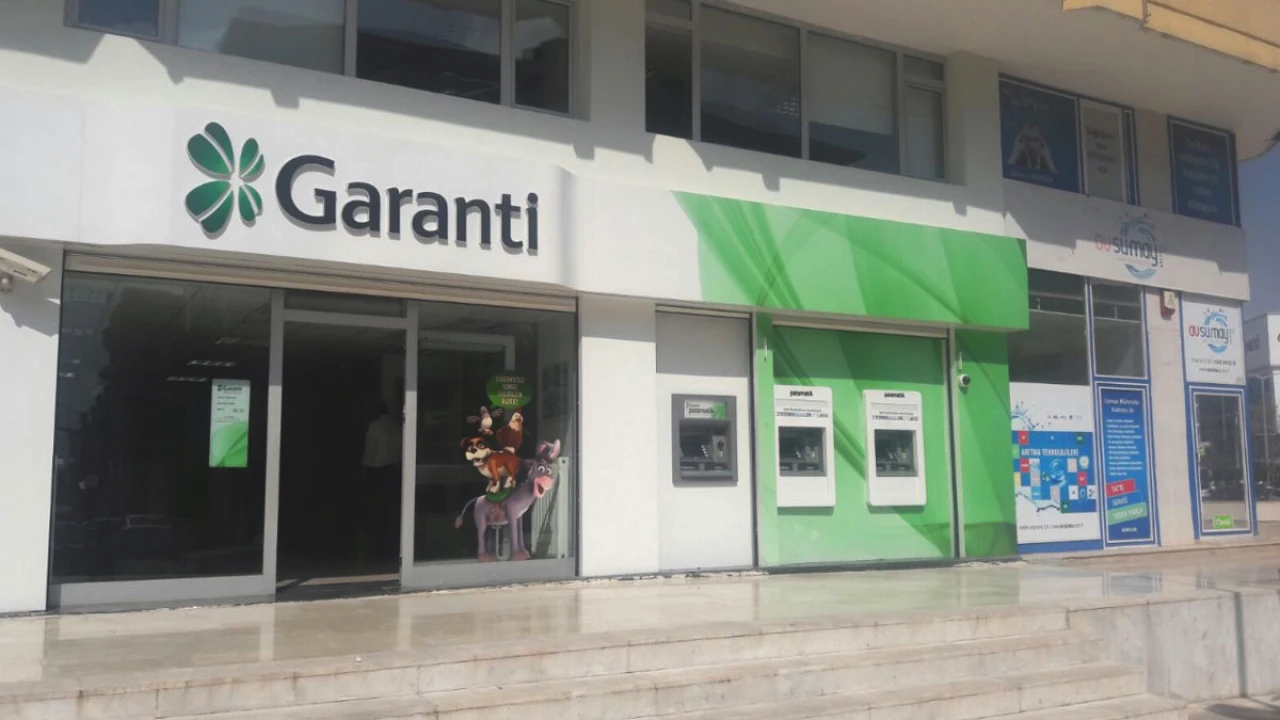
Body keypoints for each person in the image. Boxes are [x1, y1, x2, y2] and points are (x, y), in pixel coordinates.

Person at [360, 399, 402, 562]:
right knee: (390, 508)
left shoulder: (375, 427)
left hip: (377, 471)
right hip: (393, 471)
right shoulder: (396, 427)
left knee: (376, 509)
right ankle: (388, 542)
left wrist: (364, 470)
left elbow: (369, 451)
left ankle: (377, 544)